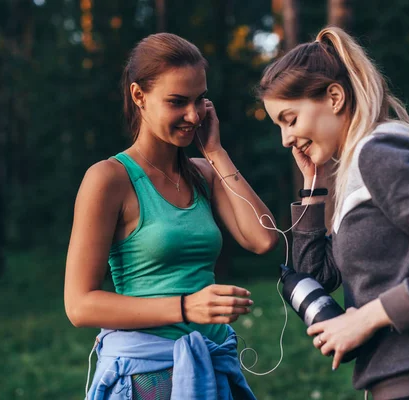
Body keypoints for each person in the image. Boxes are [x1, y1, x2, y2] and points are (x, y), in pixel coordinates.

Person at [258, 26, 409, 400]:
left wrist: (366, 318)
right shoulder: (357, 168)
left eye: (290, 119)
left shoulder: (381, 154)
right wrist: (312, 184)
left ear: (335, 97)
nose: (286, 138)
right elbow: (314, 278)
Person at [64, 32, 278, 400]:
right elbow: (80, 305)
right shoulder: (109, 178)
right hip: (147, 377)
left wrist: (216, 152)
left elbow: (263, 238)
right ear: (138, 96)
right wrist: (186, 306)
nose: (193, 116)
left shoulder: (203, 173)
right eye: (177, 102)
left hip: (213, 365)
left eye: (200, 101)